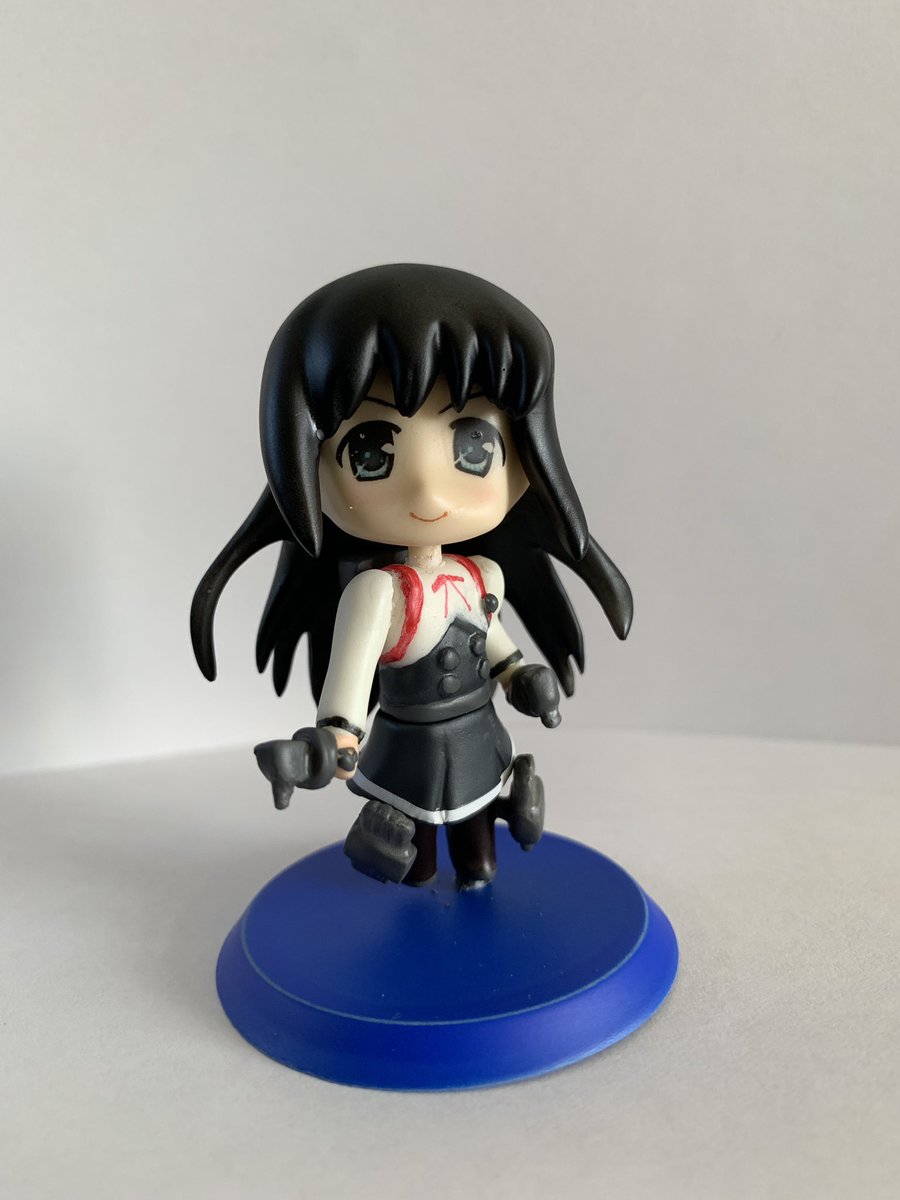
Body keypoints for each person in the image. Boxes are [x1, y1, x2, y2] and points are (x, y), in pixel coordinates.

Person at [191, 263, 632, 887]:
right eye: (371, 451)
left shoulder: (483, 576)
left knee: (479, 856)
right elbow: (346, 695)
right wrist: (324, 747)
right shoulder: (377, 594)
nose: (427, 490)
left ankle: (503, 816)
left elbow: (496, 645)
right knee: (415, 864)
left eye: (473, 446)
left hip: (478, 732)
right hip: (408, 747)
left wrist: (521, 676)